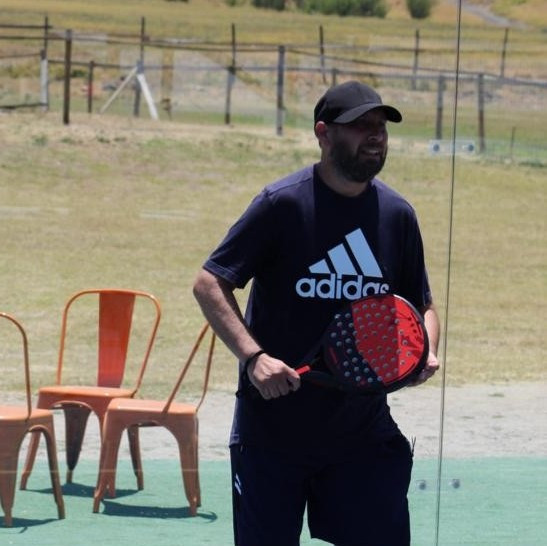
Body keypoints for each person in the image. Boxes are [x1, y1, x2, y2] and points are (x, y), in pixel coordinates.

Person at [193, 80, 440, 546]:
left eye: (381, 126)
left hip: (362, 433)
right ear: (324, 134)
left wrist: (424, 350)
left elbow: (421, 304)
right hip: (273, 432)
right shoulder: (282, 204)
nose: (375, 135)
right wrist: (254, 358)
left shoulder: (396, 214)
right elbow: (210, 282)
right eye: (361, 126)